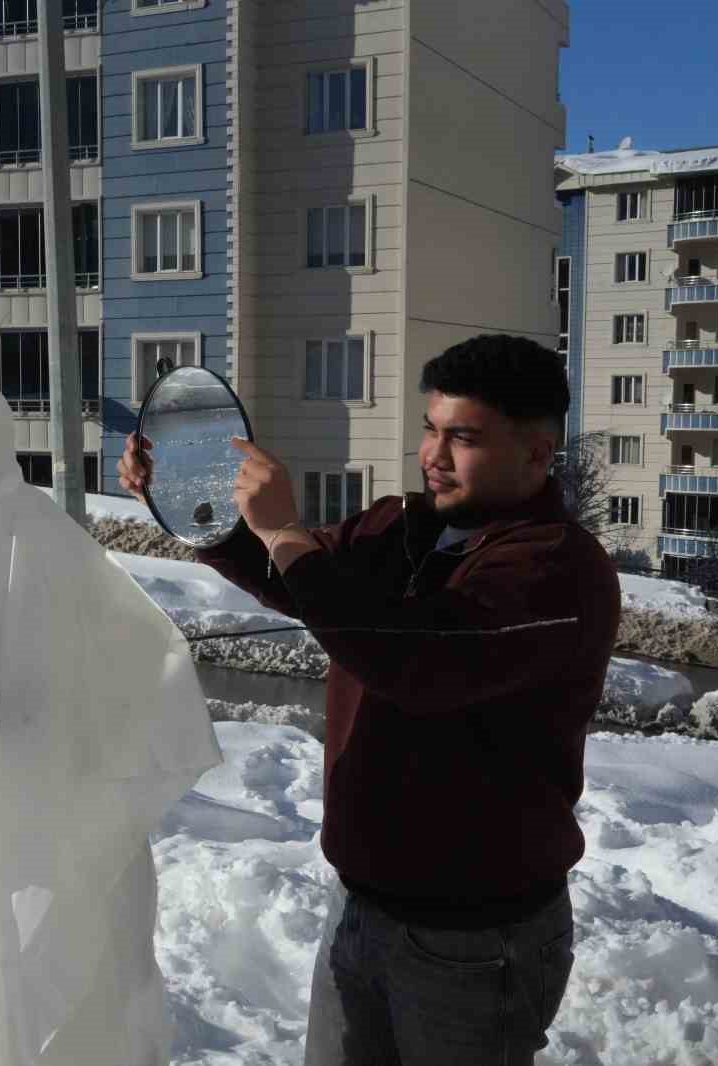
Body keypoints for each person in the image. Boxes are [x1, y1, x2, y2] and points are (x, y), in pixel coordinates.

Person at [117, 334, 620, 1065]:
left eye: (464, 437)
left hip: (476, 941)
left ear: (538, 453)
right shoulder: (400, 528)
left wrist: (288, 530)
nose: (434, 455)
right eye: (430, 428)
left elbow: (411, 663)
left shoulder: (555, 569)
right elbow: (297, 577)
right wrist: (186, 499)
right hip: (360, 906)